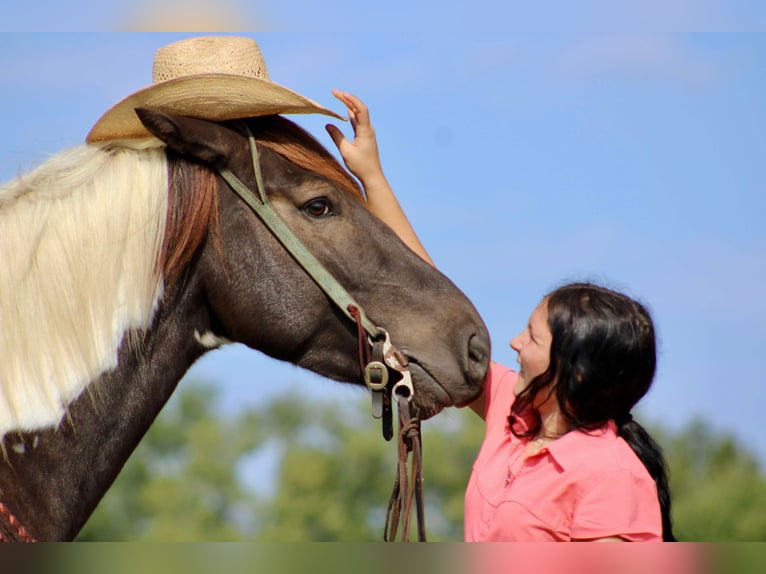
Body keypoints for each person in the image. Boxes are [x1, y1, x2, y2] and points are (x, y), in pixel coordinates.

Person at [325, 90, 675, 542]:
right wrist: (371, 175)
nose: (513, 343)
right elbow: (435, 311)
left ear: (577, 373)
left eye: (532, 336)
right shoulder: (513, 413)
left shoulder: (614, 476)